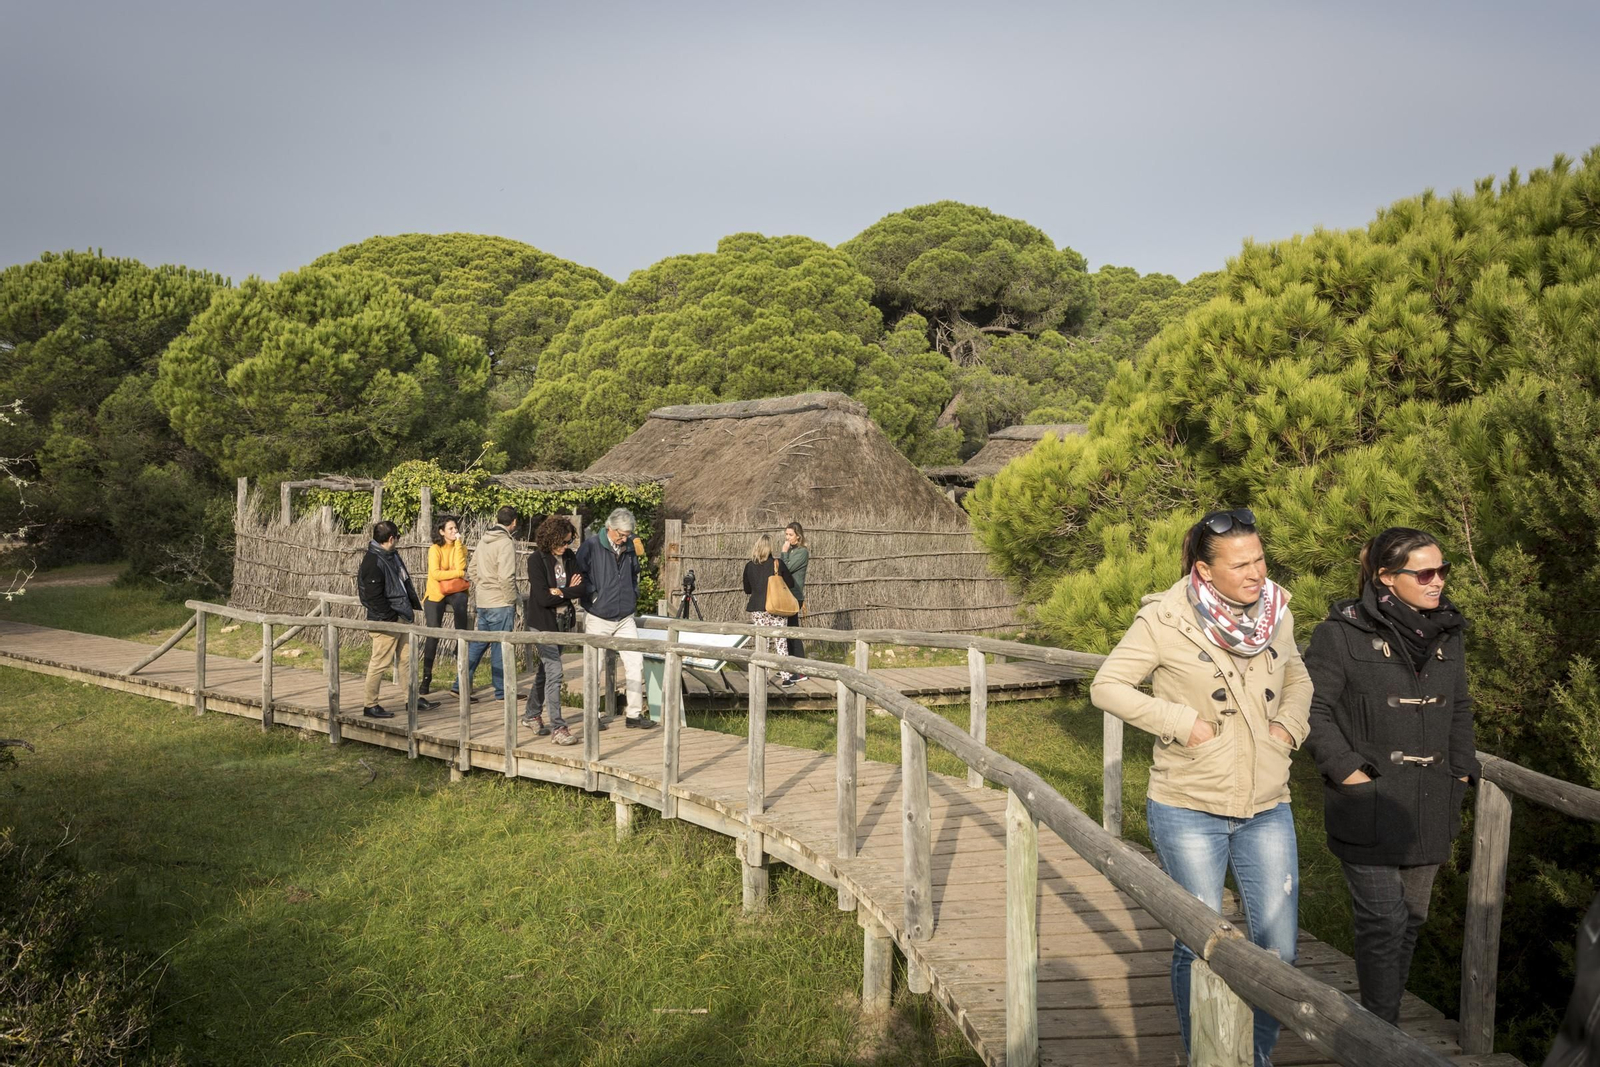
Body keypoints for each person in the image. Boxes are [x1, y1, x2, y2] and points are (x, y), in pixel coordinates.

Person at [1090, 507, 1311, 1067]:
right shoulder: (1164, 619)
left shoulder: (1277, 613)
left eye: (1260, 558)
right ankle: (1208, 1057)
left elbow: (1299, 677)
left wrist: (1288, 727)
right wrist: (1180, 724)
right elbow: (1107, 687)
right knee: (1200, 943)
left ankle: (1251, 1057)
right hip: (1189, 803)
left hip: (1267, 801)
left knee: (1278, 949)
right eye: (1241, 564)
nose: (1257, 572)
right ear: (1205, 571)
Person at [1303, 527, 1479, 1027]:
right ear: (1385, 577)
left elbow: (1460, 707)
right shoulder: (1341, 633)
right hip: (1367, 802)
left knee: (1412, 920)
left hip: (1431, 800)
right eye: (1425, 572)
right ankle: (1379, 1036)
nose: (1438, 581)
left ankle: (1382, 1022)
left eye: (1442, 570)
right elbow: (1312, 709)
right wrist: (1348, 770)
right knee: (1384, 920)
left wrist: (1462, 771)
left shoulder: (1447, 631)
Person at [575, 508, 654, 728]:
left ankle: (634, 714)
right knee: (595, 665)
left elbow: (634, 573)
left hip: (625, 615)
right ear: (610, 528)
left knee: (635, 662)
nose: (624, 539)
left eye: (627, 534)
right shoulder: (590, 546)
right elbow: (578, 574)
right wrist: (594, 595)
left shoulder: (629, 546)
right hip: (598, 615)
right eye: (621, 534)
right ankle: (591, 715)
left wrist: (633, 594)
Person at [356, 519, 438, 718]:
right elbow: (371, 596)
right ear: (391, 539)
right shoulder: (373, 561)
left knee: (406, 660)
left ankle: (411, 698)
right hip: (387, 620)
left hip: (401, 616)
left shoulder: (390, 555)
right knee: (379, 663)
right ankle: (370, 704)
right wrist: (390, 616)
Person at [452, 506, 520, 708]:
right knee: (501, 646)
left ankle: (458, 684)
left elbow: (471, 569)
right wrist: (511, 599)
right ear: (514, 522)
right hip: (500, 602)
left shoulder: (484, 539)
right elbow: (506, 577)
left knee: (480, 644)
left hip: (483, 601)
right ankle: (502, 692)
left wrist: (483, 585)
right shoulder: (505, 543)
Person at [525, 514, 583, 745]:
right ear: (551, 539)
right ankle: (559, 727)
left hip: (562, 622)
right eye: (563, 542)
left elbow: (582, 589)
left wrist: (559, 591)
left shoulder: (570, 557)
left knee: (546, 670)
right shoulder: (536, 560)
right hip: (542, 623)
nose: (566, 546)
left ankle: (531, 714)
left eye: (569, 542)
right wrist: (567, 590)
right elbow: (541, 597)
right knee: (555, 671)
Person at [420, 516, 469, 694]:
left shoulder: (459, 546)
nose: (454, 531)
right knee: (433, 633)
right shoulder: (435, 549)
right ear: (441, 532)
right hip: (435, 593)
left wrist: (457, 544)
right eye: (450, 529)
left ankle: (459, 639)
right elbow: (436, 574)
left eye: (455, 528)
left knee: (462, 600)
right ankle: (426, 677)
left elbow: (461, 564)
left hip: (454, 591)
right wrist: (457, 573)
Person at [742, 533, 798, 688]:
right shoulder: (777, 564)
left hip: (758, 609)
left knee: (762, 644)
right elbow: (790, 583)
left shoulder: (749, 566)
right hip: (775, 607)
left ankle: (762, 678)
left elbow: (747, 589)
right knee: (781, 642)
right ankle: (786, 677)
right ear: (770, 548)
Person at [780, 522, 810, 683]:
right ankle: (790, 667)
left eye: (790, 535)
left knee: (793, 632)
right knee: (786, 632)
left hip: (794, 596)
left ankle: (801, 671)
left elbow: (786, 568)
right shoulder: (792, 550)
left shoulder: (802, 552)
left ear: (798, 536)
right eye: (786, 535)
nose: (787, 538)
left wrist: (784, 553)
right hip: (786, 596)